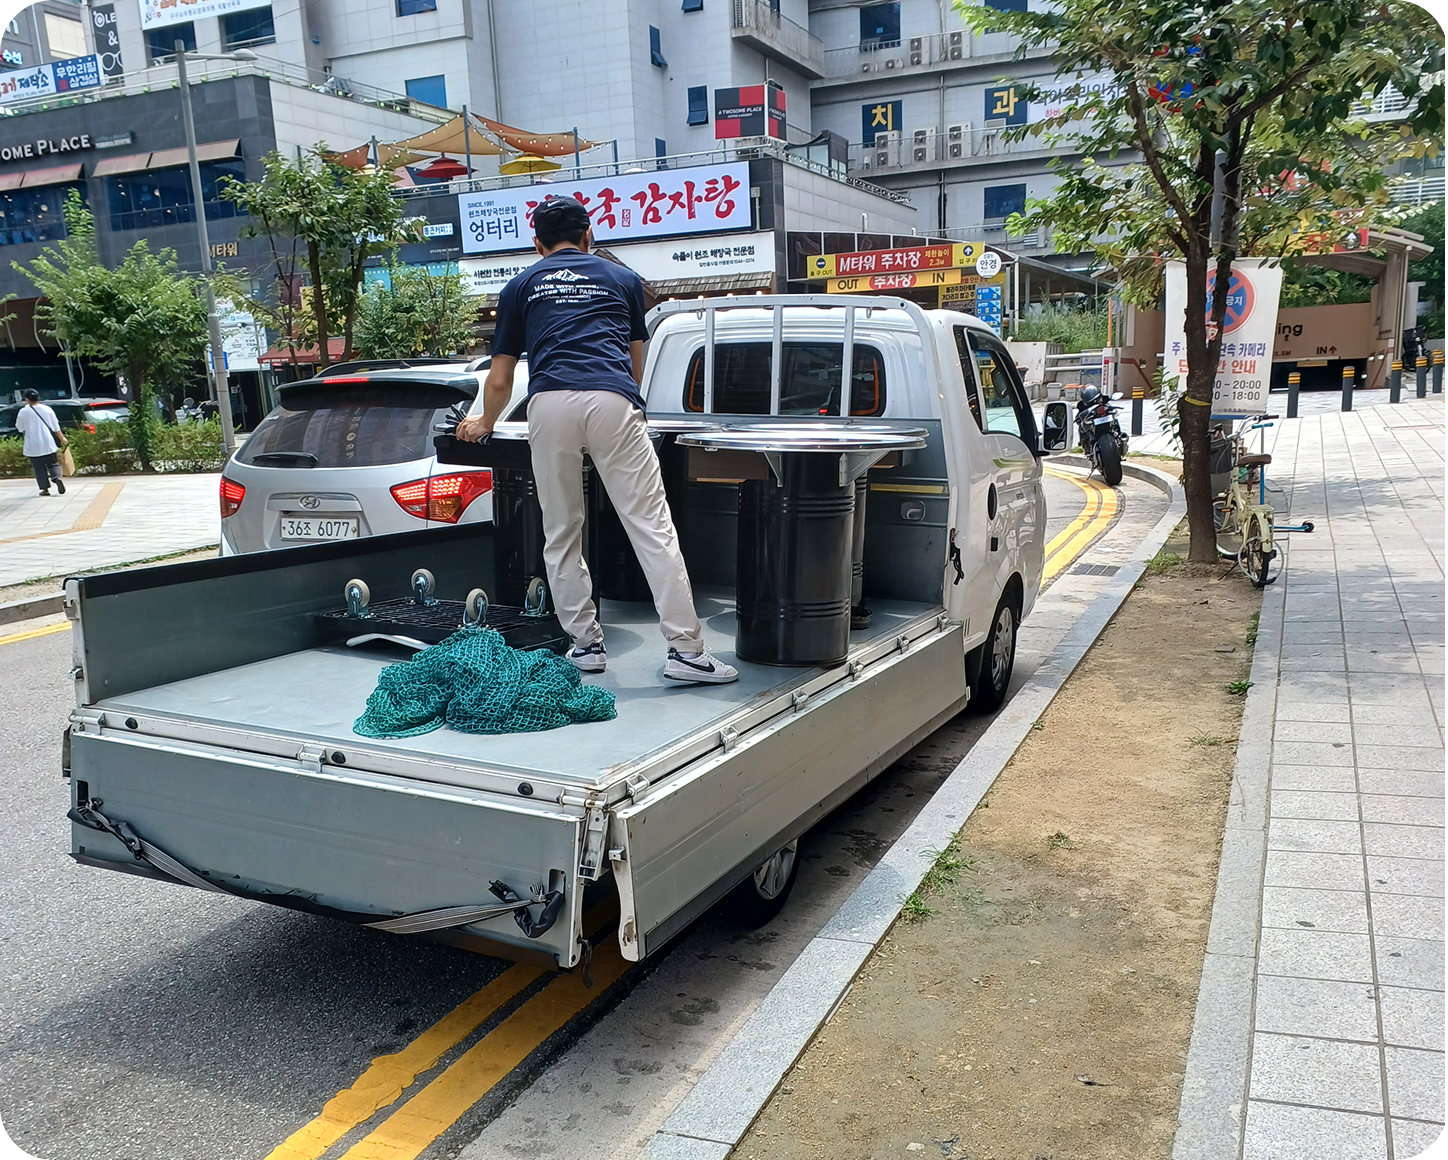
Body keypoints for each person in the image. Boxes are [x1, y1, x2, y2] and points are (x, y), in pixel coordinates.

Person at [456, 195, 737, 685]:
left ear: (538, 244)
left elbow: (499, 380)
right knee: (651, 527)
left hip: (549, 403)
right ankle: (686, 652)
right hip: (612, 399)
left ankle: (584, 646)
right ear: (589, 237)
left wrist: (484, 420)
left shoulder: (520, 286)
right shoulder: (623, 280)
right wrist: (623, 402)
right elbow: (635, 363)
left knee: (562, 529)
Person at [15, 389, 67, 497]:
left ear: (26, 399)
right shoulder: (47, 409)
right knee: (53, 463)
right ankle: (57, 478)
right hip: (48, 442)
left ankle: (45, 489)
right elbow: (55, 427)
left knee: (38, 467)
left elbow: (20, 428)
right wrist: (62, 438)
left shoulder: (23, 412)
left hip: (32, 444)